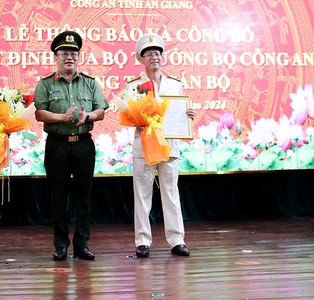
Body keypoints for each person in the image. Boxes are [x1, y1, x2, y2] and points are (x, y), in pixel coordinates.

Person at [33, 30, 109, 261]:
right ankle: (61, 244)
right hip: (58, 146)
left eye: (74, 53)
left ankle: (82, 244)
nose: (69, 57)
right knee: (58, 197)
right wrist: (61, 118)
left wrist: (88, 118)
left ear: (78, 57)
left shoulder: (90, 83)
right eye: (64, 53)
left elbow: (101, 111)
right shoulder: (46, 83)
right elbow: (39, 113)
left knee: (83, 197)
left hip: (83, 145)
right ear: (56, 56)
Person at [123, 32, 196, 258]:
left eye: (157, 53)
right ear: (141, 59)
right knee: (142, 194)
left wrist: (188, 115)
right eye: (149, 54)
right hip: (143, 145)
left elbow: (179, 113)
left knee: (171, 194)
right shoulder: (133, 86)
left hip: (169, 146)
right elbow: (128, 114)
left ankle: (177, 240)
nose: (154, 57)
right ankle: (142, 241)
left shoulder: (175, 84)